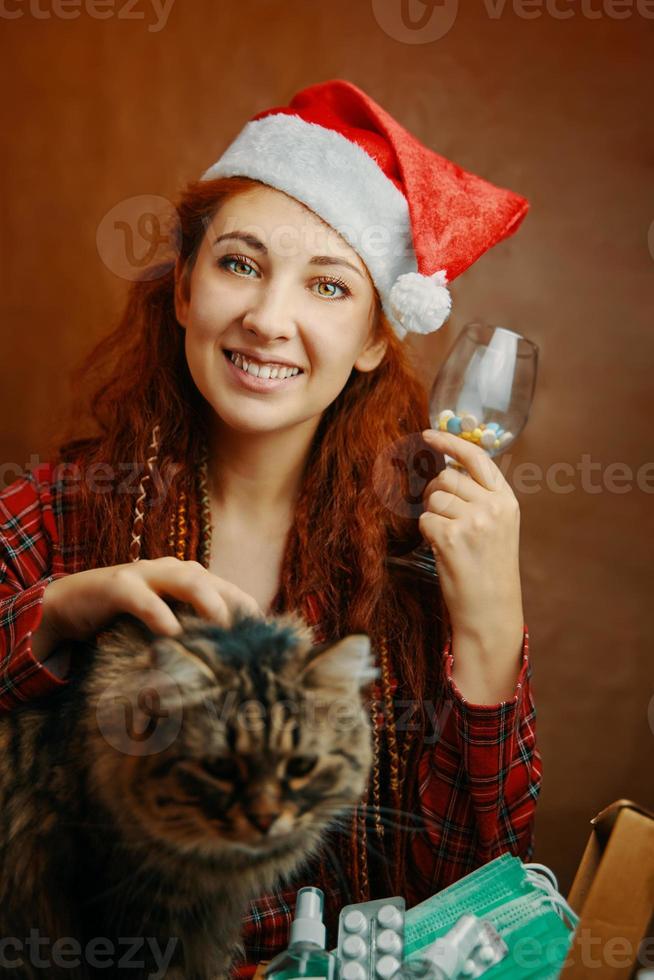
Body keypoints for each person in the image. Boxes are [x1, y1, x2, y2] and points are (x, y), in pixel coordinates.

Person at [0, 79, 541, 978]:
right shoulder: (61, 508)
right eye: (240, 265)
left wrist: (490, 626)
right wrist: (59, 611)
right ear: (183, 290)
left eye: (327, 285)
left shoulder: (419, 558)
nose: (267, 318)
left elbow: (473, 902)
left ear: (375, 337)